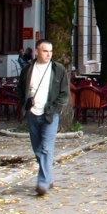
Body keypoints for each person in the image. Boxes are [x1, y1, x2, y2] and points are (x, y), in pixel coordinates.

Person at [17, 39, 69, 196]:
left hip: (50, 114)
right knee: (37, 148)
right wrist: (24, 106)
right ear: (37, 51)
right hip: (32, 113)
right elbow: (20, 89)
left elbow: (64, 93)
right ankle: (48, 176)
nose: (49, 54)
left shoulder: (58, 69)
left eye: (50, 51)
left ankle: (42, 182)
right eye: (45, 51)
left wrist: (54, 109)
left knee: (46, 148)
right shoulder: (27, 69)